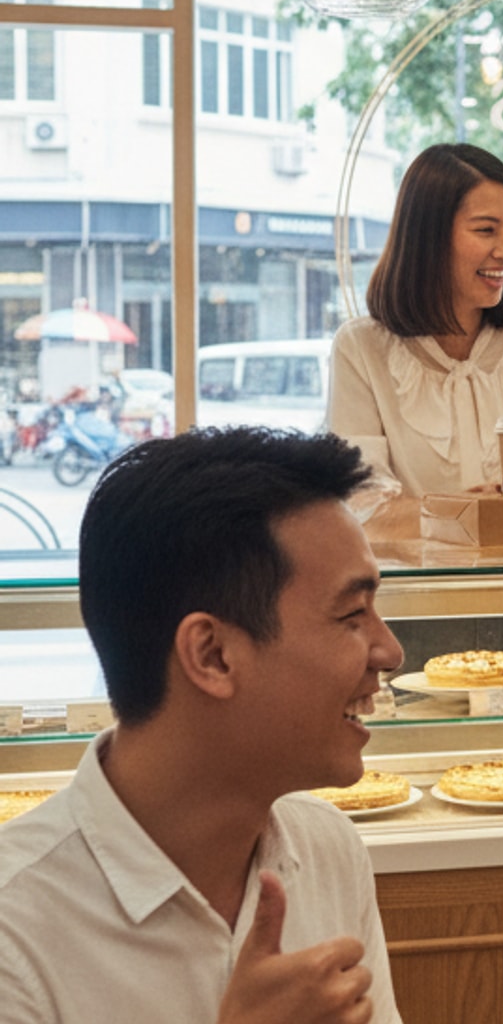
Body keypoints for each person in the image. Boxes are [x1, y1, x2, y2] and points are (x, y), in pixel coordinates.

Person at [0, 427, 403, 1023]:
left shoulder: (325, 849)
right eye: (351, 615)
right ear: (212, 655)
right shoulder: (18, 930)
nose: (389, 651)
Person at [328, 142, 503, 672]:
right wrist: (465, 515)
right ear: (428, 237)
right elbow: (358, 510)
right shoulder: (362, 348)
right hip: (408, 627)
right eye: (486, 230)